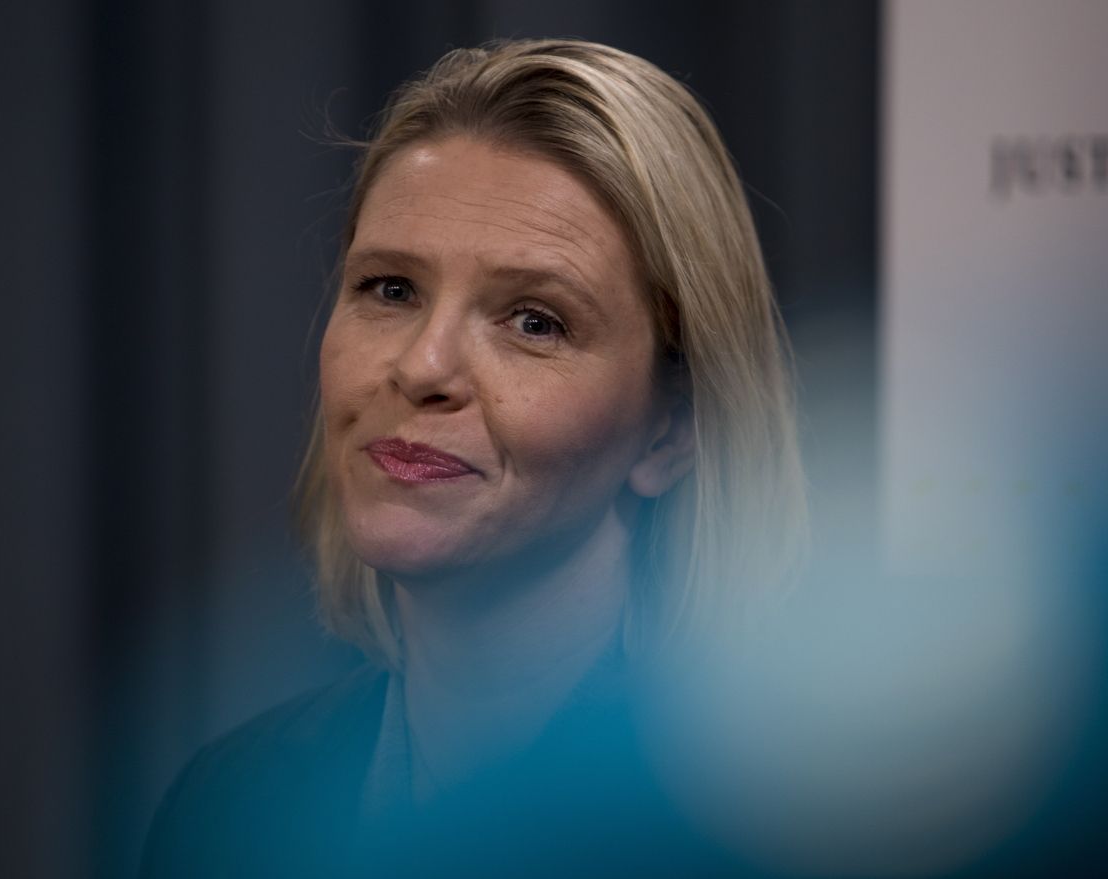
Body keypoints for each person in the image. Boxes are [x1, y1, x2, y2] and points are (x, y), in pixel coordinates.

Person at [141, 38, 807, 878]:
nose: (422, 367)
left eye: (534, 320)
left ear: (669, 430)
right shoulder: (229, 806)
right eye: (391, 289)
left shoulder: (781, 830)